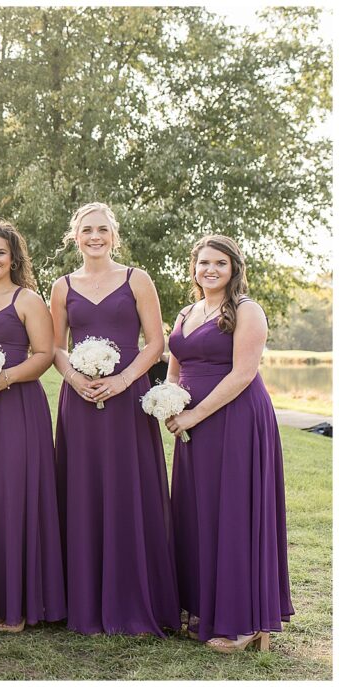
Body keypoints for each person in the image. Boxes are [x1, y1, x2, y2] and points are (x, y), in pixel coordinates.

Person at [49, 202, 179, 636]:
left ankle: (133, 599)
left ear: (114, 235)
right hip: (80, 402)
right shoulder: (62, 287)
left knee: (129, 491)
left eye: (102, 229)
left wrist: (123, 380)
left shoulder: (136, 279)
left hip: (128, 399)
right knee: (82, 491)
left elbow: (155, 343)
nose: (95, 236)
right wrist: (75, 378)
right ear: (75, 236)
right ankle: (81, 601)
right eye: (87, 230)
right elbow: (56, 348)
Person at [165, 235, 293, 653]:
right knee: (198, 512)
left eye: (220, 263)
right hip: (191, 425)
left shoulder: (246, 310)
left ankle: (246, 623)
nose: (211, 270)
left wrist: (193, 416)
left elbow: (242, 375)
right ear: (194, 267)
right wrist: (166, 404)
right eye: (204, 262)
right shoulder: (186, 312)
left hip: (236, 419)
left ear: (234, 268)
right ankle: (204, 607)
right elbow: (174, 371)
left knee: (234, 513)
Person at [0, 219, 66, 632]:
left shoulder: (28, 300)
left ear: (13, 258)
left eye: (0, 253)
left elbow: (43, 355)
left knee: (13, 496)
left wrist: (2, 379)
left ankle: (19, 602)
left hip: (18, 407)